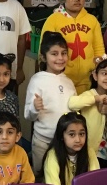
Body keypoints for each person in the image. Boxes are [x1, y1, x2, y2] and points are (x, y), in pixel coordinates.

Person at [40, 0, 105, 94]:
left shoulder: (92, 20)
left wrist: (98, 71)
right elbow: (44, 50)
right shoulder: (53, 20)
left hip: (87, 80)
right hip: (60, 79)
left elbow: (99, 49)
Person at [24, 32, 76, 175]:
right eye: (54, 54)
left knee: (63, 176)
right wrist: (34, 108)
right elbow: (28, 115)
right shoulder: (37, 80)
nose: (60, 58)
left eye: (63, 53)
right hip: (43, 142)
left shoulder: (69, 82)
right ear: (43, 57)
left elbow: (74, 110)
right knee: (42, 177)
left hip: (65, 143)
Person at [68, 55, 107, 167]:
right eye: (104, 73)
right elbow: (72, 104)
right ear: (95, 76)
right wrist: (96, 99)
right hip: (90, 148)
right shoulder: (89, 95)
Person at [44, 112, 99, 185]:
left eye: (81, 134)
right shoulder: (53, 156)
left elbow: (96, 182)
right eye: (72, 135)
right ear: (62, 136)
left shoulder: (89, 152)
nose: (78, 140)